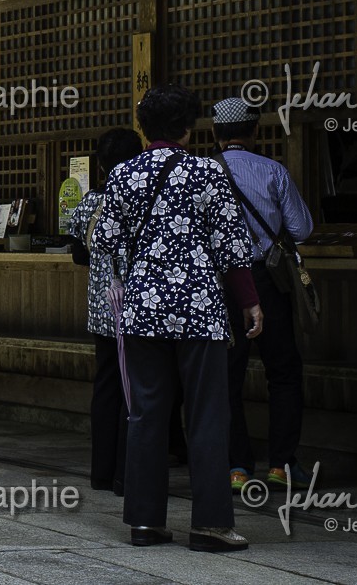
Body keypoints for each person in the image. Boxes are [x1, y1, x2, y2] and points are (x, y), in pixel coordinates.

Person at [92, 84, 262, 553]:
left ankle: (145, 522)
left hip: (143, 307)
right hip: (199, 309)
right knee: (208, 415)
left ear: (143, 127)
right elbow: (232, 245)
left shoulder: (124, 174)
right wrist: (249, 301)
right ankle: (210, 525)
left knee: (146, 412)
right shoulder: (208, 171)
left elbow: (103, 239)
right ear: (190, 128)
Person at [213, 96, 316, 490]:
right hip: (267, 279)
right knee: (284, 371)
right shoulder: (273, 171)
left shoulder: (203, 172)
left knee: (227, 374)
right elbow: (302, 229)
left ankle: (237, 466)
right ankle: (281, 465)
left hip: (221, 282)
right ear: (254, 131)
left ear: (215, 133)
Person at [66, 127, 144, 495]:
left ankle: (101, 471)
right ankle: (127, 475)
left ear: (100, 163)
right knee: (139, 387)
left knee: (108, 385)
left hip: (101, 306)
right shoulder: (143, 197)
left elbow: (78, 252)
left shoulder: (90, 202)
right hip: (140, 306)